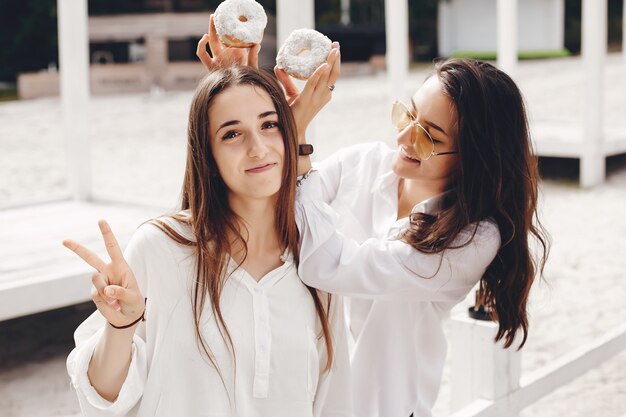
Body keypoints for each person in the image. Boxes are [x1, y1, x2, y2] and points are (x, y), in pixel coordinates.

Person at [63, 66, 352, 417]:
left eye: (269, 125)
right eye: (232, 135)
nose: (258, 148)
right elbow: (100, 400)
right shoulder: (160, 247)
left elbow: (334, 401)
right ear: (208, 156)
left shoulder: (317, 260)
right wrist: (120, 326)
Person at [289, 58, 550, 417]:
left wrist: (300, 141)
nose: (403, 138)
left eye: (428, 136)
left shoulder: (472, 238)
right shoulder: (360, 163)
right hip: (304, 397)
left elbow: (330, 264)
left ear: (473, 157)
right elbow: (279, 206)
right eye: (407, 115)